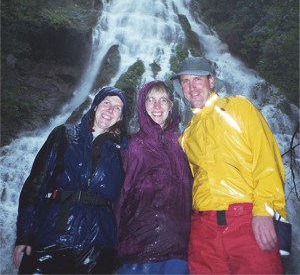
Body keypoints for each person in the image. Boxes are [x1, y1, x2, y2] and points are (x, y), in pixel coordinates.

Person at [170, 56, 287, 275]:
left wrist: (264, 211)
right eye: (185, 81)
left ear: (211, 82)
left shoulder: (239, 107)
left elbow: (267, 159)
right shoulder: (187, 134)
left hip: (247, 219)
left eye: (197, 79)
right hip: (203, 228)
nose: (191, 87)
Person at [13, 86, 128, 275]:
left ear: (121, 118)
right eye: (106, 102)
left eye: (117, 108)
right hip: (50, 235)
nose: (110, 109)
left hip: (97, 244)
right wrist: (24, 234)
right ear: (95, 106)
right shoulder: (64, 134)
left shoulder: (122, 152)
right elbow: (36, 184)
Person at [116, 80, 193, 274]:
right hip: (136, 248)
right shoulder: (132, 146)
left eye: (162, 100)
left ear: (171, 106)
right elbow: (120, 196)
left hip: (178, 249)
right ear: (142, 106)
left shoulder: (183, 144)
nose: (157, 106)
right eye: (150, 100)